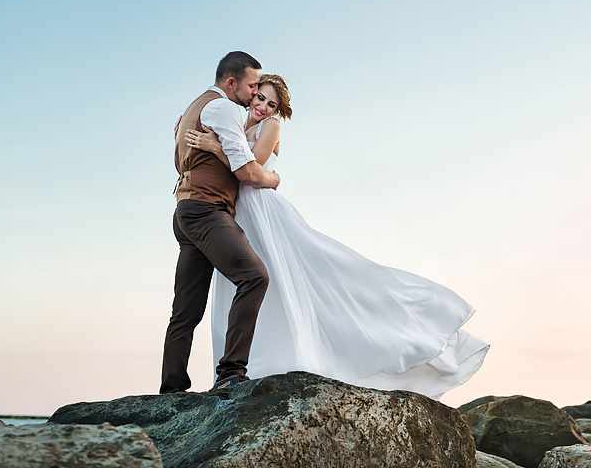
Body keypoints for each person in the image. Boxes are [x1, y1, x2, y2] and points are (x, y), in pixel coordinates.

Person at [184, 74, 488, 399]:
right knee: (254, 288)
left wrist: (219, 148)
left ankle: (411, 325)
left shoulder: (271, 126)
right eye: (260, 99)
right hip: (240, 210)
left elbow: (252, 165)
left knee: (297, 277)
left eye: (271, 104)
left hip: (264, 211)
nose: (262, 107)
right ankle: (256, 363)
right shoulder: (235, 122)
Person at [161, 52, 281, 394]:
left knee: (185, 311)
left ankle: (172, 390)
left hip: (185, 211)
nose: (254, 92)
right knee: (255, 277)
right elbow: (246, 171)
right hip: (206, 210)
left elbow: (186, 162)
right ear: (232, 83)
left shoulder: (194, 109)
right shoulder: (225, 108)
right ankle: (231, 372)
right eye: (252, 85)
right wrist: (273, 179)